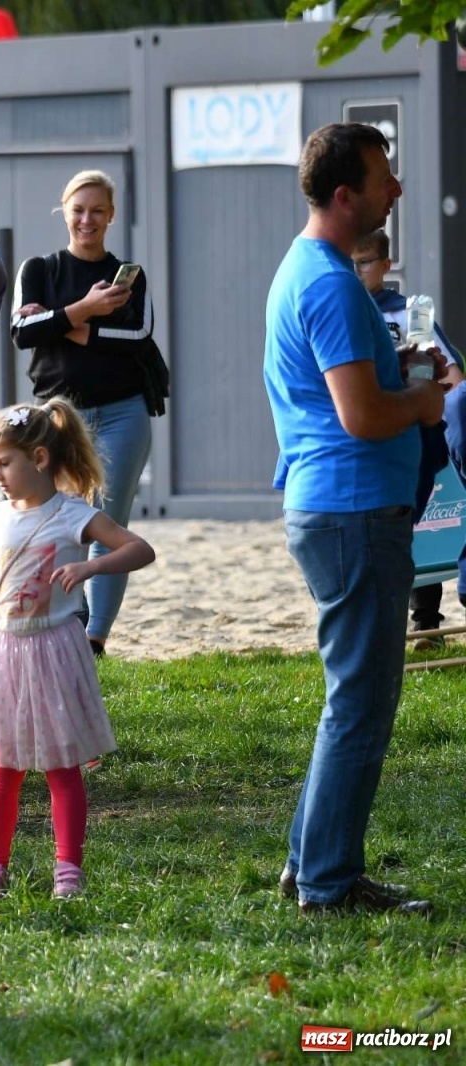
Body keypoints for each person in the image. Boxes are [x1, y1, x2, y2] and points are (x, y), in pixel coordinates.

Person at [264, 122, 440, 915]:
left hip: (342, 506)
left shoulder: (310, 267)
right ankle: (328, 884)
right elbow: (363, 415)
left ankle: (312, 868)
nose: (395, 189)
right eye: (383, 179)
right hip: (353, 510)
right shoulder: (332, 283)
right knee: (361, 707)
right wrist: (427, 400)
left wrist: (401, 378)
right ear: (345, 197)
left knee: (352, 700)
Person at [0, 400, 155, 900]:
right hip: (4, 650)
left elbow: (139, 549)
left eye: (4, 462)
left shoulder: (74, 514)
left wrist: (91, 568)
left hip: (54, 649)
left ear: (40, 458)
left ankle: (68, 871)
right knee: (2, 766)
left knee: (60, 766)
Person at [9, 169, 167, 657]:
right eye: (79, 210)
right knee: (53, 523)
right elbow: (22, 332)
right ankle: (56, 625)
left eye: (98, 210)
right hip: (58, 418)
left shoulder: (130, 276)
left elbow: (137, 336)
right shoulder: (38, 269)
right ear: (65, 212)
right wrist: (85, 308)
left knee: (107, 525)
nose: (87, 219)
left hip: (123, 412)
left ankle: (93, 638)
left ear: (111, 215)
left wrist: (65, 323)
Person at [350, 228, 465, 645]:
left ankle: (427, 621)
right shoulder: (338, 309)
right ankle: (379, 621)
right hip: (364, 434)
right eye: (350, 260)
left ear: (384, 265)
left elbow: (453, 377)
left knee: (421, 527)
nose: (356, 270)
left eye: (364, 261)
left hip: (412, 432)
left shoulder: (409, 313)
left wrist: (424, 391)